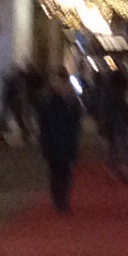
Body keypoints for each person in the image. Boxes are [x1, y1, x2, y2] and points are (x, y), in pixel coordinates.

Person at [35, 74, 83, 214]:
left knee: (62, 173)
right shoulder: (50, 104)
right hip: (56, 142)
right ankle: (59, 199)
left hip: (62, 142)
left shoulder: (68, 104)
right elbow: (44, 126)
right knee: (58, 173)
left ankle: (61, 198)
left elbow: (75, 123)